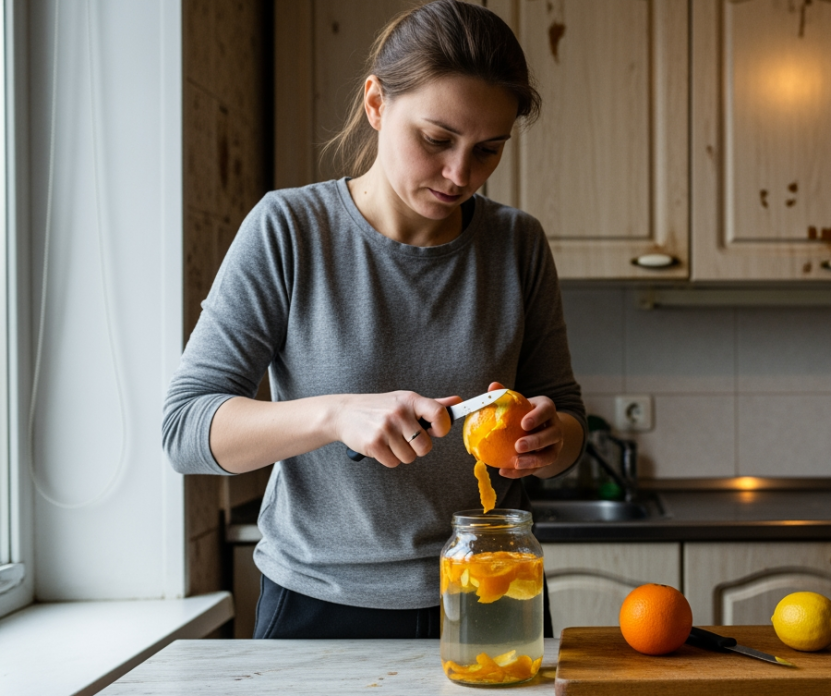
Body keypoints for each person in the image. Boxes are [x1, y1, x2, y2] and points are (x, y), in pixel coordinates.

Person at [162, 0, 585, 640]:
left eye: (488, 150)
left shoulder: (517, 243)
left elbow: (570, 419)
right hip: (319, 605)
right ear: (377, 104)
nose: (459, 174)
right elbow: (185, 430)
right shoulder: (289, 230)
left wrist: (552, 441)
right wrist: (336, 414)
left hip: (489, 591)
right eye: (437, 140)